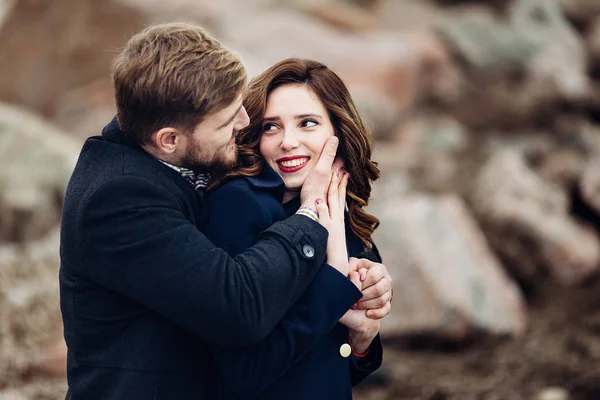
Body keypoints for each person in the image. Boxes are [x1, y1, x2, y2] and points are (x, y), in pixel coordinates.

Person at [59, 23, 392, 399]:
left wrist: (363, 333)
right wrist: (316, 228)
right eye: (229, 120)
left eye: (308, 122)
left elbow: (332, 357)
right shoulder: (118, 197)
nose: (245, 124)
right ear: (169, 139)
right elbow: (238, 310)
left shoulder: (200, 165)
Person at [202, 58, 388, 399]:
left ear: (338, 130)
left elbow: (333, 365)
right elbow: (240, 372)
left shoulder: (344, 213)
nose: (287, 141)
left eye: (307, 123)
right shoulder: (236, 204)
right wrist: (332, 282)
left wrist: (363, 338)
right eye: (271, 127)